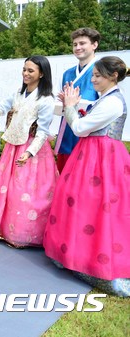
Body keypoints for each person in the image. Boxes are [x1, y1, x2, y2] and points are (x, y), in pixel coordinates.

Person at [44, 56, 129, 297]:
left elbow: (80, 128)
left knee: (96, 208)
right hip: (94, 157)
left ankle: (91, 260)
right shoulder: (107, 99)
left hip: (100, 160)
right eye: (93, 75)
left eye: (98, 76)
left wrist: (70, 107)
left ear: (113, 77)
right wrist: (74, 103)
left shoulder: (113, 102)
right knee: (84, 205)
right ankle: (74, 254)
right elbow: (90, 115)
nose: (93, 79)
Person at [0, 55, 57, 248]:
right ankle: (1, 229)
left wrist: (29, 153)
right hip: (13, 147)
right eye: (24, 69)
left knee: (25, 192)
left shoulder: (46, 100)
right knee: (6, 189)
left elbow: (43, 132)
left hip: (33, 152)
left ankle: (24, 234)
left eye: (31, 70)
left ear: (42, 74)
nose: (25, 73)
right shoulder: (18, 94)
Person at [54, 28, 100, 173]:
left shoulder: (102, 72)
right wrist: (64, 103)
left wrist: (74, 103)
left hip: (89, 137)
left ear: (94, 45)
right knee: (63, 180)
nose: (78, 47)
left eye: (82, 43)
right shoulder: (67, 74)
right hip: (67, 133)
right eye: (75, 44)